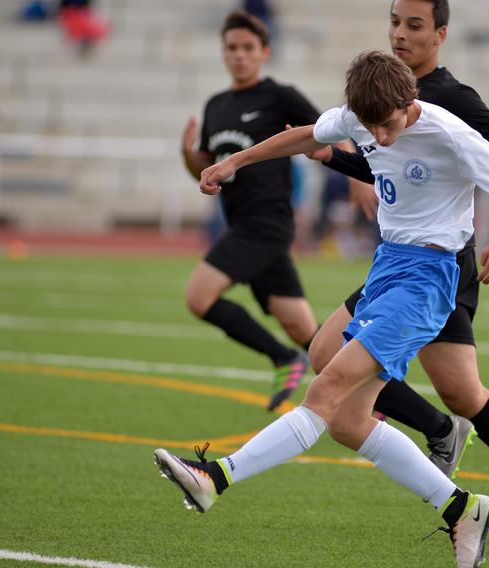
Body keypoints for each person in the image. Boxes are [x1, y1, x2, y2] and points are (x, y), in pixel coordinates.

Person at [155, 49, 489, 568]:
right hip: (388, 267)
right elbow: (306, 135)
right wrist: (234, 161)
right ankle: (463, 509)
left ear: (410, 101)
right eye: (369, 128)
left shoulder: (450, 133)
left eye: (387, 127)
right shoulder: (358, 115)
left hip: (428, 279)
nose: (379, 139)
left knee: (327, 390)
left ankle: (215, 477)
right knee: (342, 409)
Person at [303, 0, 489, 540]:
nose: (400, 35)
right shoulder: (383, 93)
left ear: (441, 34)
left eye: (414, 26)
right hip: (400, 263)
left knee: (458, 392)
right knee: (349, 360)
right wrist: (334, 160)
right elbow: (388, 157)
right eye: (394, 24)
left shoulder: (450, 99)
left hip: (440, 264)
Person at [179, 11, 319, 411]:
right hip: (243, 224)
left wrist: (359, 178)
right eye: (232, 48)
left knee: (198, 297)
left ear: (265, 52)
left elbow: (330, 131)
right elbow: (205, 170)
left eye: (248, 48)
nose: (239, 55)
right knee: (305, 330)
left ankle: (282, 357)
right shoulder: (217, 105)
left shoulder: (280, 96)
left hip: (267, 223)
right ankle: (376, 394)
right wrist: (187, 155)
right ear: (223, 52)